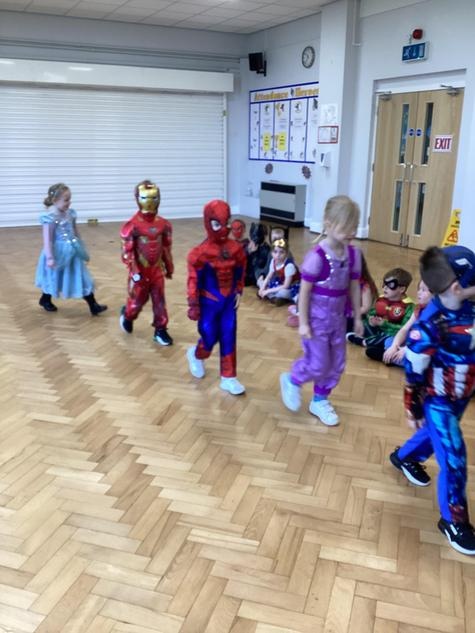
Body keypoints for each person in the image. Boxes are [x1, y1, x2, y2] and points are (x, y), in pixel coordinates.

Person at [390, 245, 475, 555]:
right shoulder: (431, 322)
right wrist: (412, 406)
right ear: (456, 287)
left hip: (462, 394)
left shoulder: (469, 308)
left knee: (435, 435)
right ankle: (454, 521)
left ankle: (404, 457)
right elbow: (414, 369)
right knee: (454, 458)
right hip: (437, 400)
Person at [280, 195, 363, 426]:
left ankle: (319, 400)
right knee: (318, 363)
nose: (352, 232)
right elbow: (304, 292)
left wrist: (358, 316)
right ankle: (293, 379)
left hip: (338, 320)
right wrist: (303, 322)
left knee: (337, 363)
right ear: (328, 223)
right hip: (317, 320)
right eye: (346, 227)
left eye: (355, 227)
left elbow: (354, 286)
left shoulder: (354, 255)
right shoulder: (316, 257)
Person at [186, 199, 247, 395]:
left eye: (225, 222)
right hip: (208, 302)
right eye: (216, 224)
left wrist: (239, 290)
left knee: (229, 334)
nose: (222, 228)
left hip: (229, 301)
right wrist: (193, 304)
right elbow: (193, 280)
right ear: (208, 223)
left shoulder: (235, 249)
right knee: (209, 335)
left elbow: (241, 269)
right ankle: (197, 354)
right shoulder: (200, 253)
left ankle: (229, 377)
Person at [35, 183, 107, 315]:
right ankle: (45, 299)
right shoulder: (50, 218)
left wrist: (81, 246)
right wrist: (50, 257)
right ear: (55, 200)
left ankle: (93, 305)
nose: (69, 202)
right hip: (58, 253)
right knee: (55, 277)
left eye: (70, 199)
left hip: (72, 251)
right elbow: (48, 239)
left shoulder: (70, 214)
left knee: (82, 276)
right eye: (66, 200)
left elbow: (75, 231)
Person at [119, 180, 174, 346]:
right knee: (137, 301)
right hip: (140, 271)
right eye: (146, 197)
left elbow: (166, 247)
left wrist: (168, 265)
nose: (150, 202)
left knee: (159, 300)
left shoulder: (163, 224)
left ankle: (160, 329)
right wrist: (134, 270)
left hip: (156, 270)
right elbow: (127, 252)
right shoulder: (132, 225)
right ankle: (128, 315)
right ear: (138, 198)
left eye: (154, 197)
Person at [348, 267, 414, 352]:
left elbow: (404, 329)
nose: (385, 288)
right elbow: (372, 312)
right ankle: (372, 341)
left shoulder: (409, 307)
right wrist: (371, 320)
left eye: (390, 285)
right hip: (376, 330)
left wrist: (384, 324)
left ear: (402, 289)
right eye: (384, 284)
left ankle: (364, 342)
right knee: (360, 321)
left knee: (389, 340)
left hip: (391, 335)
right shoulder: (382, 299)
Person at [379, 280, 433, 366]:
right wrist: (394, 346)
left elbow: (425, 342)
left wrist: (406, 349)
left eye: (423, 290)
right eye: (419, 289)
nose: (419, 293)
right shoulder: (419, 308)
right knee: (390, 341)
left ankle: (387, 357)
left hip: (426, 349)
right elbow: (405, 329)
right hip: (412, 343)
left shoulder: (436, 315)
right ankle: (392, 356)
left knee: (419, 360)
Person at [257, 238, 300, 305]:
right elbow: (268, 277)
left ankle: (272, 296)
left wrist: (268, 291)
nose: (278, 255)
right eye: (275, 252)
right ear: (271, 253)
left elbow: (286, 285)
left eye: (281, 252)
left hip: (291, 286)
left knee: (283, 293)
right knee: (260, 282)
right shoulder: (273, 261)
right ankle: (275, 297)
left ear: (286, 253)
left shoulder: (289, 266)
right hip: (280, 282)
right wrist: (262, 288)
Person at [245, 222, 270, 286]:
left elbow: (260, 266)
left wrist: (255, 253)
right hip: (248, 275)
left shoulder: (266, 250)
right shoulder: (248, 245)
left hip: (258, 276)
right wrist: (248, 252)